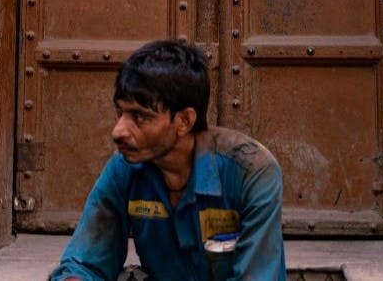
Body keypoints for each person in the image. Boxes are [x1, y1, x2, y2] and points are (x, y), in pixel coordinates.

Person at [50, 39, 285, 281]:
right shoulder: (124, 169)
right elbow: (84, 263)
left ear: (184, 121)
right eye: (120, 113)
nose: (118, 131)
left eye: (139, 116)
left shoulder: (251, 171)